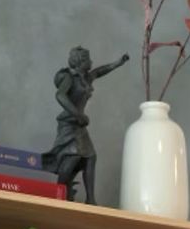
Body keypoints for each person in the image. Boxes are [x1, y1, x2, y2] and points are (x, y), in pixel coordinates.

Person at [42, 45, 130, 204]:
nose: (91, 61)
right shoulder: (69, 77)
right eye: (88, 59)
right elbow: (60, 95)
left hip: (79, 125)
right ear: (80, 61)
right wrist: (78, 114)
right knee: (72, 157)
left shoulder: (85, 77)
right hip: (69, 123)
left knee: (90, 157)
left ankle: (90, 200)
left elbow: (100, 71)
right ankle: (59, 194)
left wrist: (118, 63)